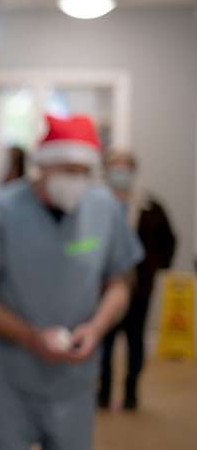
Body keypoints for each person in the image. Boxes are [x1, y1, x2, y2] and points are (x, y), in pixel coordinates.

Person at [0, 114, 143, 450]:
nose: (77, 180)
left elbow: (120, 282)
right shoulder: (2, 211)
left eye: (84, 172)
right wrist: (30, 337)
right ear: (43, 166)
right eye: (68, 170)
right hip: (13, 375)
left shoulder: (104, 209)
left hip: (76, 380)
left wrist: (97, 328)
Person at [98, 150, 176, 411]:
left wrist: (153, 269)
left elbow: (168, 242)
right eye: (115, 168)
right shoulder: (96, 205)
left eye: (125, 168)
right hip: (102, 286)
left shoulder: (150, 207)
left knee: (134, 341)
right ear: (107, 171)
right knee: (104, 341)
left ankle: (131, 393)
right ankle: (104, 391)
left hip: (139, 287)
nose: (120, 174)